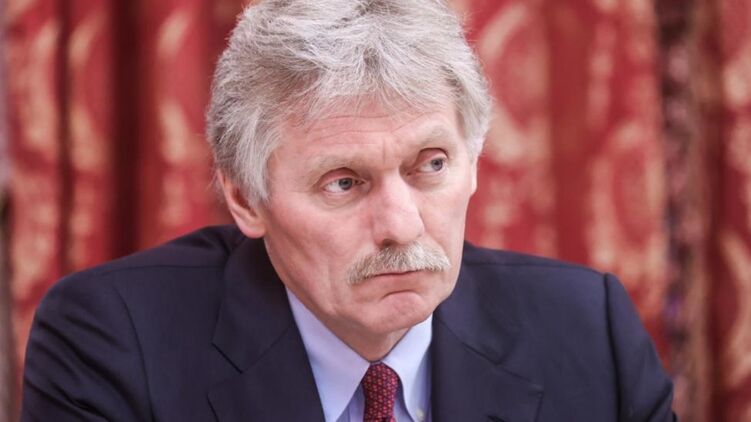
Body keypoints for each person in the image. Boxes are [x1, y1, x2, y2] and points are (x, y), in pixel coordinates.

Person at [21, 0, 676, 421]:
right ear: (246, 198)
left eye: (431, 166)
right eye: (343, 182)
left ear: (474, 162)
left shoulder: (590, 333)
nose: (402, 225)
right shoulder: (112, 341)